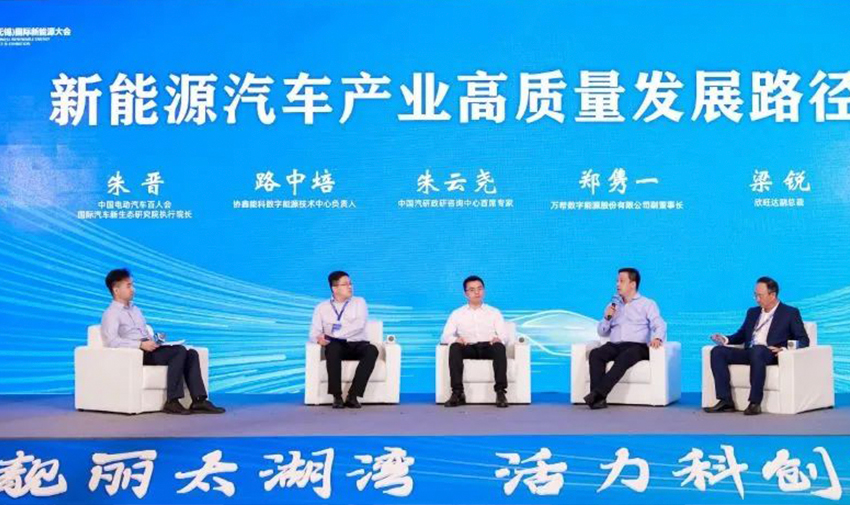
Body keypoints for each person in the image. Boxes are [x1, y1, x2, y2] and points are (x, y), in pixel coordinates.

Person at [100, 268, 225, 415]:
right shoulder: (111, 314)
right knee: (179, 352)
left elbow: (143, 333)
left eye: (132, 285)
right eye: (128, 286)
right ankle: (172, 401)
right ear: (116, 290)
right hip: (135, 354)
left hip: (149, 348)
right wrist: (140, 344)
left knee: (191, 353)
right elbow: (112, 341)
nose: (133, 289)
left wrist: (155, 341)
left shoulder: (136, 310)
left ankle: (199, 400)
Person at [705, 276, 809, 416]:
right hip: (750, 351)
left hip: (770, 353)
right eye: (755, 295)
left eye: (760, 295)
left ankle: (755, 403)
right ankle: (726, 401)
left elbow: (803, 340)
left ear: (772, 295)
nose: (757, 299)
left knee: (758, 350)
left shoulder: (790, 313)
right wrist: (725, 339)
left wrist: (784, 349)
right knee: (718, 352)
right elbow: (742, 334)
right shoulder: (753, 312)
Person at [584, 268, 667, 410]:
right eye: (617, 281)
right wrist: (607, 317)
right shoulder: (612, 306)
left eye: (621, 281)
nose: (617, 284)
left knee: (625, 356)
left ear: (633, 284)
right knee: (595, 354)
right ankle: (598, 400)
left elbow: (659, 324)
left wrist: (658, 338)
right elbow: (602, 332)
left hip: (637, 347)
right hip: (615, 345)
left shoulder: (647, 304)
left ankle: (597, 394)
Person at [309, 271, 377, 409]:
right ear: (334, 288)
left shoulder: (359, 302)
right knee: (332, 348)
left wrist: (334, 334)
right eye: (345, 284)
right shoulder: (321, 308)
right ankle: (337, 396)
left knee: (372, 350)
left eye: (351, 283)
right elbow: (314, 332)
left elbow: (359, 326)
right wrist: (318, 339)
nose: (350, 286)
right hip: (336, 345)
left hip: (358, 344)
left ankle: (353, 396)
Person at [441, 275, 509, 408]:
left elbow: (504, 335)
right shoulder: (457, 313)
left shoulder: (494, 312)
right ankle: (457, 393)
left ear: (484, 290)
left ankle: (500, 392)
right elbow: (444, 336)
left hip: (488, 346)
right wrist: (456, 339)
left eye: (479, 288)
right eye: (472, 290)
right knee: (454, 347)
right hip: (468, 347)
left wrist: (499, 339)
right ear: (465, 294)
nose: (477, 292)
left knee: (499, 347)